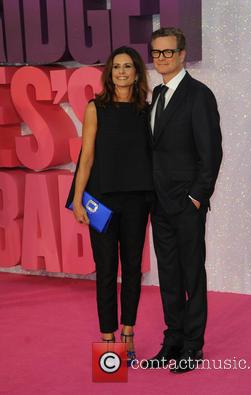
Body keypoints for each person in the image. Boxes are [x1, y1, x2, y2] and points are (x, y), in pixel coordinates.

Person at [65, 46, 153, 365]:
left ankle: (128, 332)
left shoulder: (146, 108)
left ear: (136, 72)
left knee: (132, 268)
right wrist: (77, 199)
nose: (121, 72)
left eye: (127, 66)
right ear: (110, 72)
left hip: (138, 200)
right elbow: (86, 156)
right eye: (116, 67)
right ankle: (108, 340)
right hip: (100, 201)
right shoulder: (95, 107)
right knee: (105, 271)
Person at [143, 27, 223, 373]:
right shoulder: (156, 96)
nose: (161, 58)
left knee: (192, 275)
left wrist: (197, 197)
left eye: (167, 52)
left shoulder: (198, 95)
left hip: (186, 203)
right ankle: (172, 341)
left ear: (182, 54)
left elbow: (211, 153)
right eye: (156, 52)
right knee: (169, 275)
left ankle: (193, 346)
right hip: (158, 204)